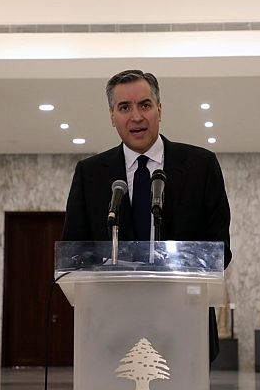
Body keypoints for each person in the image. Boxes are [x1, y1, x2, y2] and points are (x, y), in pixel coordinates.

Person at [62, 69, 232, 362]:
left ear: (159, 110)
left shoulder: (201, 166)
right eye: (124, 107)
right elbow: (75, 252)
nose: (136, 116)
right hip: (111, 332)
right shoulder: (90, 174)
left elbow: (219, 250)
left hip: (185, 329)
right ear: (112, 116)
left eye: (145, 105)